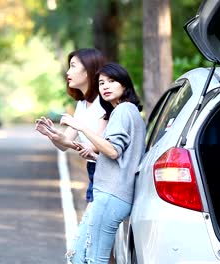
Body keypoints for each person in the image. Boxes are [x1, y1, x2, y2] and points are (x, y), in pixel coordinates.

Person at [61, 62, 146, 263]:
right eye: (101, 83)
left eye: (111, 81)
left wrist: (80, 126)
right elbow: (120, 157)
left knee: (94, 259)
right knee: (78, 256)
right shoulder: (127, 111)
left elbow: (114, 151)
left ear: (124, 85)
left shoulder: (124, 110)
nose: (105, 86)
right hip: (111, 193)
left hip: (112, 194)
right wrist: (95, 156)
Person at [35, 48, 107, 203]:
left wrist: (67, 142)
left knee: (89, 227)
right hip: (93, 170)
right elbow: (64, 143)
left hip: (107, 173)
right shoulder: (82, 104)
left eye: (73, 66)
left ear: (88, 70)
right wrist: (51, 134)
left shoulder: (104, 103)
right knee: (90, 226)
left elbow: (96, 146)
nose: (68, 72)